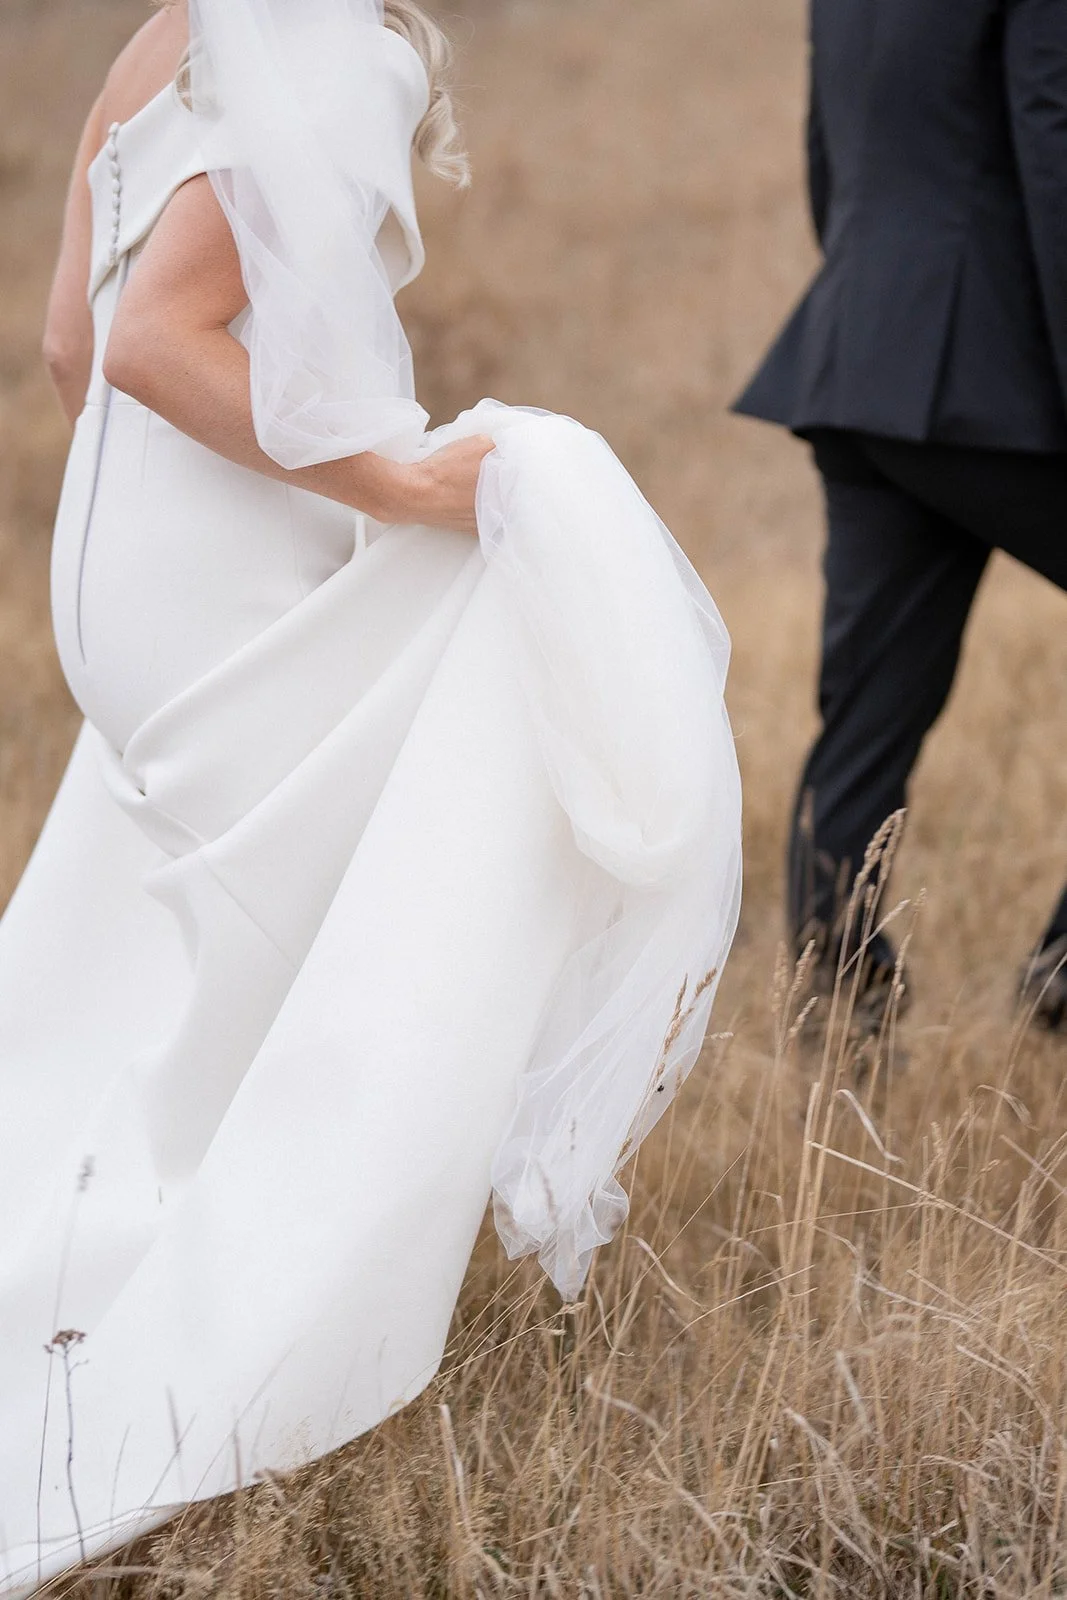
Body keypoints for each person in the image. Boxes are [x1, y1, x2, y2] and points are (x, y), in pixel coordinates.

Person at [0, 0, 742, 1591]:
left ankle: (110, 1291)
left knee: (218, 965)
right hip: (221, 574)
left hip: (114, 574)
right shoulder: (339, 40)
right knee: (327, 953)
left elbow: (70, 346)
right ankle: (193, 1373)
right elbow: (152, 341)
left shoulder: (169, 32)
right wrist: (402, 484)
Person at [735, 0, 1067, 1029]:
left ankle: (839, 1014)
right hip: (996, 377)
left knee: (865, 716)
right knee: (868, 709)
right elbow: (1051, 150)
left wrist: (879, 309)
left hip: (860, 352)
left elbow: (824, 157)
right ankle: (1063, 979)